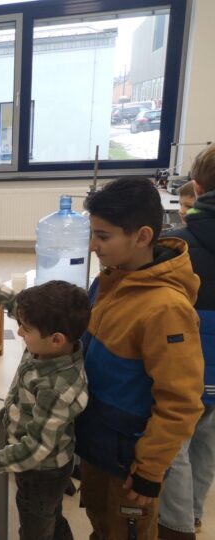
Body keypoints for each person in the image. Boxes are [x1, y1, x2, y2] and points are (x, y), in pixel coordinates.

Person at [74, 177, 205, 539]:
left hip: (131, 461)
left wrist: (149, 470)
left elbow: (181, 402)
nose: (93, 246)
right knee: (102, 522)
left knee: (127, 530)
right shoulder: (111, 280)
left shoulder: (166, 309)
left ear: (142, 236)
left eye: (103, 237)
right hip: (100, 443)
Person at [0, 276, 89, 540]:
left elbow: (34, 450)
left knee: (36, 528)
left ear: (56, 339)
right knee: (51, 516)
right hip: (43, 464)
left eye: (25, 329)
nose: (19, 332)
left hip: (42, 473)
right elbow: (14, 302)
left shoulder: (56, 387)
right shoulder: (50, 347)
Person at [158, 145, 215, 539]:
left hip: (188, 355)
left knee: (176, 442)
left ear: (195, 187)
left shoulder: (176, 247)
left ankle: (176, 527)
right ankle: (193, 514)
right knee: (207, 441)